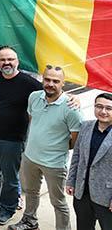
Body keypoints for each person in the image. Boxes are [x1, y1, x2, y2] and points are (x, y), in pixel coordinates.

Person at [0, 47, 45, 225]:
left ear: (17, 61)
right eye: (2, 60)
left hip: (12, 141)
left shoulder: (29, 83)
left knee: (10, 179)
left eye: (10, 59)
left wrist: (72, 99)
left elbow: (51, 93)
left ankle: (7, 209)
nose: (6, 63)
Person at [9, 66, 82, 230]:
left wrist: (54, 147)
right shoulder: (34, 97)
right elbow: (33, 121)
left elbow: (75, 141)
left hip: (54, 164)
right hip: (30, 157)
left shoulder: (72, 108)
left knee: (58, 202)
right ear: (42, 79)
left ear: (63, 83)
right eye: (47, 79)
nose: (50, 84)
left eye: (56, 81)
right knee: (31, 192)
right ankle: (29, 221)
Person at [67, 93, 112, 230]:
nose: (103, 111)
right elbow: (77, 156)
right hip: (82, 192)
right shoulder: (86, 126)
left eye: (108, 108)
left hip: (106, 196)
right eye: (99, 106)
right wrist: (71, 181)